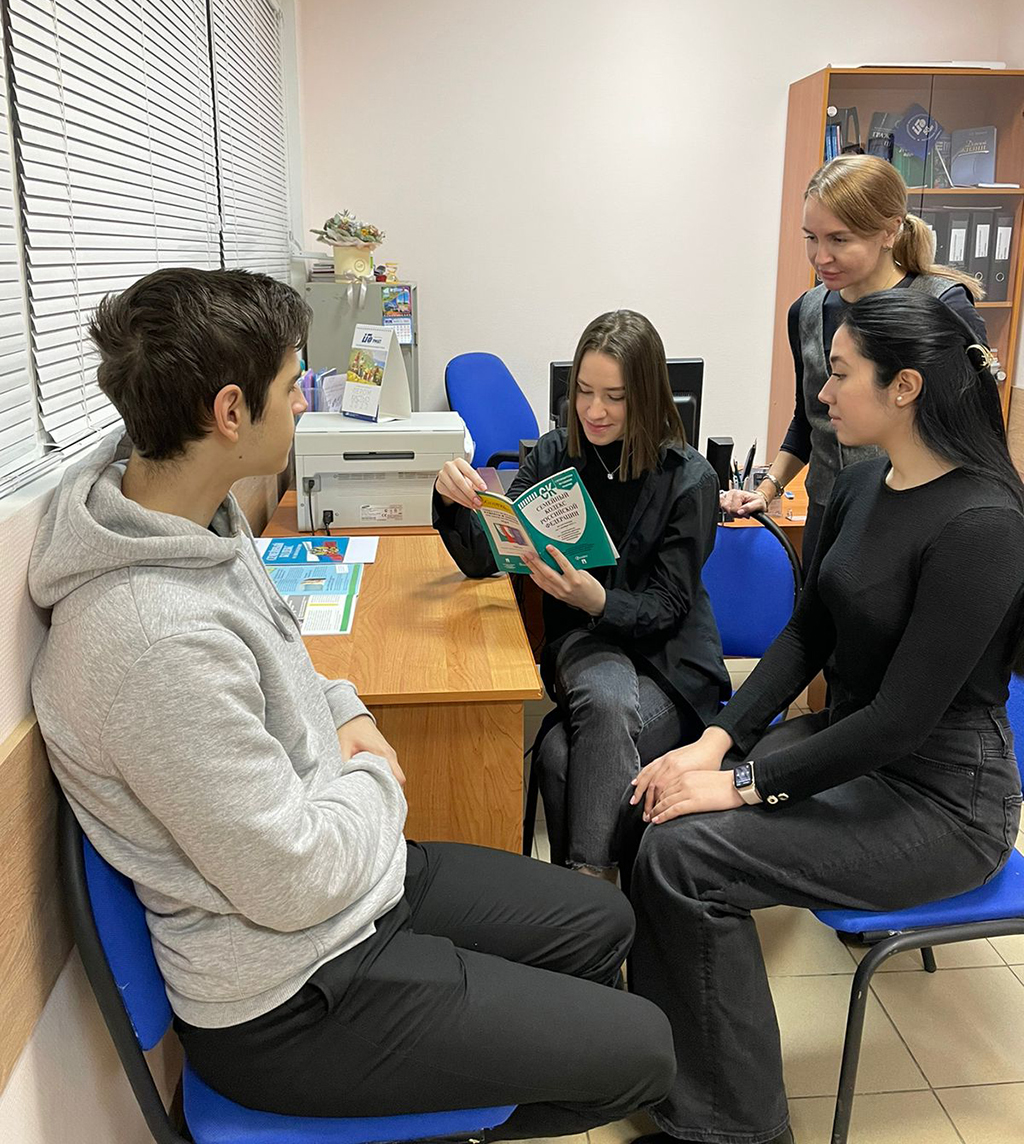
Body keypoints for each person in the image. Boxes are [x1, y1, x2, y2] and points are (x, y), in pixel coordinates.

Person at [29, 268, 676, 1134]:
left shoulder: (199, 523)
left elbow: (293, 662)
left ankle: (474, 1047)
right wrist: (372, 778)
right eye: (292, 384)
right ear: (230, 412)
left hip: (352, 887)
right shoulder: (150, 640)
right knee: (646, 1051)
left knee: (603, 921)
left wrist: (351, 717)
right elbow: (293, 876)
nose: (305, 401)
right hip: (290, 992)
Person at [623, 290, 1024, 1144]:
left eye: (840, 374)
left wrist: (742, 784)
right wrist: (714, 742)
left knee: (688, 856)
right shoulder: (866, 480)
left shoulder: (985, 522)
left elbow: (900, 723)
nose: (822, 393)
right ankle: (681, 1088)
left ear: (905, 386)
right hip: (861, 750)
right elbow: (807, 632)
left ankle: (739, 1128)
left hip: (944, 800)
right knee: (658, 809)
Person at [434, 309, 729, 877]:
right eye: (584, 393)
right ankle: (598, 897)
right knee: (607, 696)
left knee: (558, 755)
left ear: (648, 397)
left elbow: (670, 607)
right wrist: (450, 500)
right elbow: (485, 558)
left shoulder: (689, 478)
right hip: (587, 647)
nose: (594, 411)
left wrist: (597, 600)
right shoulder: (553, 456)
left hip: (671, 660)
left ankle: (582, 896)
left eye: (615, 397)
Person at [722, 154, 989, 569]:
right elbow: (809, 419)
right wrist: (767, 490)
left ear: (889, 231)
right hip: (828, 512)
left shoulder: (941, 306)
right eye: (811, 238)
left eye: (839, 240)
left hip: (914, 520)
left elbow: (975, 433)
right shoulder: (807, 312)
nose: (821, 257)